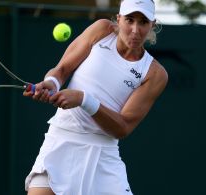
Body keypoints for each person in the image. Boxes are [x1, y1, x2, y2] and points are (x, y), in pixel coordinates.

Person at [23, 0, 168, 194]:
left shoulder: (154, 73)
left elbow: (122, 127)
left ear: (152, 24)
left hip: (103, 155)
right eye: (129, 20)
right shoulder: (102, 30)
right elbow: (63, 69)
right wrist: (52, 83)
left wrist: (84, 100)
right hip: (61, 140)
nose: (135, 29)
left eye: (143, 22)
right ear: (118, 19)